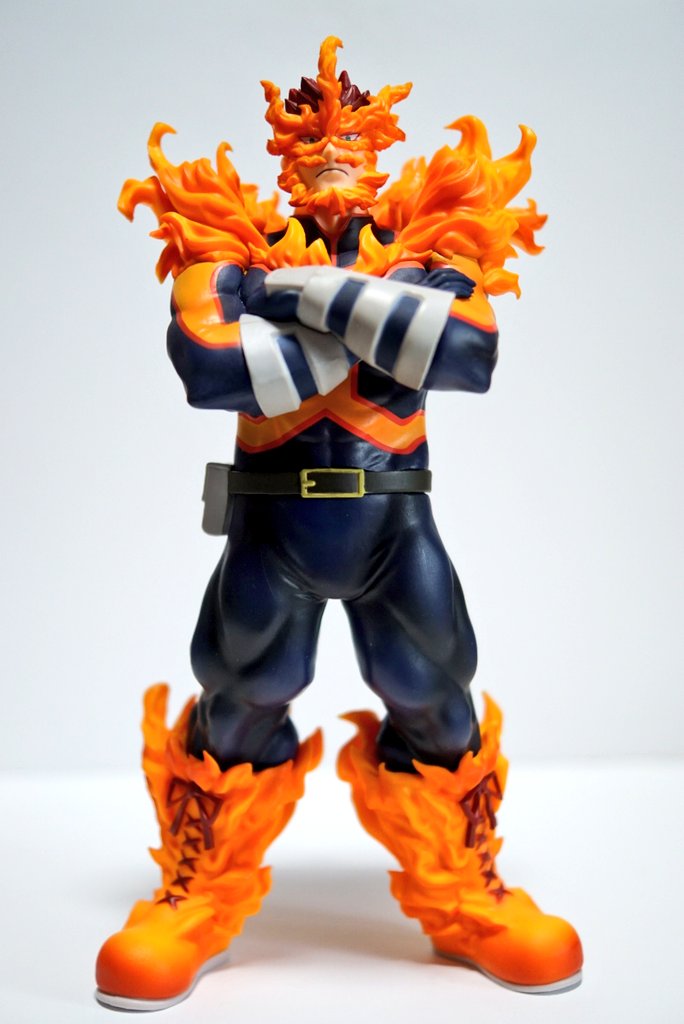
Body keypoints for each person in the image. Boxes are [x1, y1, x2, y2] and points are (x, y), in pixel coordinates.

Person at [95, 37, 582, 1011]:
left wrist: (298, 299)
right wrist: (381, 330)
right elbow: (211, 369)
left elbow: (468, 355)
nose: (329, 155)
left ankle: (465, 886)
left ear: (379, 151)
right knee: (243, 689)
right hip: (271, 524)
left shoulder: (429, 247)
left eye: (349, 142)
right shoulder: (227, 246)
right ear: (282, 157)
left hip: (393, 522)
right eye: (309, 141)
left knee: (432, 690)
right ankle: (200, 888)